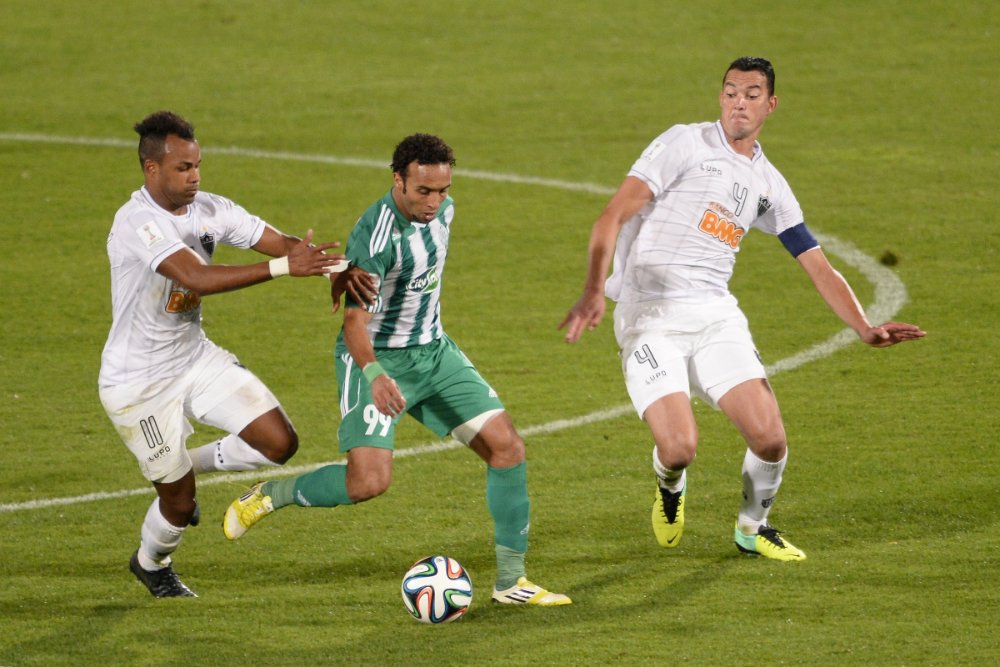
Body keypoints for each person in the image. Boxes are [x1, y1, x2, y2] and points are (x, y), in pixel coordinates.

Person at [560, 57, 925, 561]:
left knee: (770, 438)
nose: (739, 103)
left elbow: (817, 264)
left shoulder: (770, 184)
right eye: (731, 92)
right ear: (721, 98)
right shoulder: (684, 143)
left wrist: (863, 327)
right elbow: (611, 215)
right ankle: (670, 486)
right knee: (679, 448)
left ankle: (753, 528)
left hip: (714, 316)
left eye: (751, 95)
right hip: (650, 317)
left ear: (770, 105)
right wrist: (594, 289)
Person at [223, 133, 571, 606]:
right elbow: (353, 324)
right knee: (368, 482)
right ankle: (270, 495)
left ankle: (511, 582)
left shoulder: (445, 210)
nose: (434, 202)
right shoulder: (376, 236)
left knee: (507, 448)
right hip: (375, 357)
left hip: (434, 351)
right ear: (398, 180)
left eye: (443, 190)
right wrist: (375, 375)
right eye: (423, 191)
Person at [100, 110, 366, 597]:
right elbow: (195, 277)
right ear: (151, 169)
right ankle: (151, 563)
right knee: (178, 506)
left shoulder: (210, 207)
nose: (195, 175)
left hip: (193, 359)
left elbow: (280, 242)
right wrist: (285, 269)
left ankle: (187, 464)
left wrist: (334, 267)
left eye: (198, 164)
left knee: (279, 443)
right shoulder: (137, 221)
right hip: (137, 384)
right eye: (183, 168)